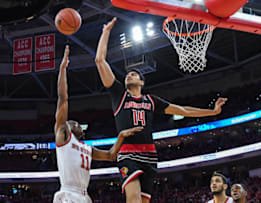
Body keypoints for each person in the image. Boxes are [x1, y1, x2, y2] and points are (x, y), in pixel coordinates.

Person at [95, 17, 228, 203]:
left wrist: (212, 112)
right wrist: (106, 32)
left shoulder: (151, 100)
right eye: (127, 75)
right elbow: (100, 60)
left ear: (141, 82)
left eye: (134, 74)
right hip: (127, 153)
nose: (129, 75)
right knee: (132, 199)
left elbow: (183, 110)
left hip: (150, 154)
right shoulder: (119, 95)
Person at [53, 45, 143, 203]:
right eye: (70, 122)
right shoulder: (64, 137)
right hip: (68, 193)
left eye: (74, 122)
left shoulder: (88, 149)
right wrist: (62, 69)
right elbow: (63, 98)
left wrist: (121, 137)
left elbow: (110, 155)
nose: (71, 122)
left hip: (84, 195)